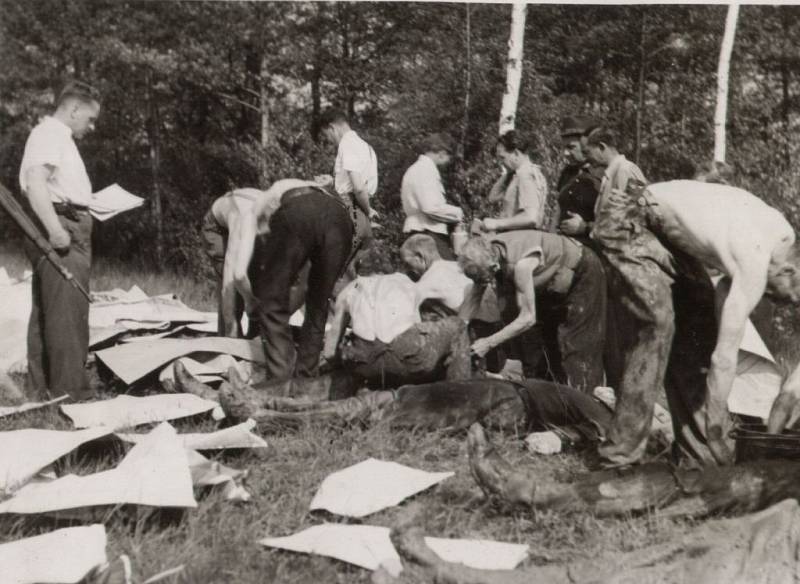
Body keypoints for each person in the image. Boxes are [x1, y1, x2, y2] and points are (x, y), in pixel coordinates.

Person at [19, 81, 101, 400]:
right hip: (61, 225)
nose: (91, 127)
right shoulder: (51, 133)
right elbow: (36, 180)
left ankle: (42, 393)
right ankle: (72, 396)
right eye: (90, 119)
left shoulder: (54, 135)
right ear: (74, 109)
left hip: (63, 220)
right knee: (68, 313)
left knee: (48, 312)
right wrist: (56, 230)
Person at [458, 230, 607, 392]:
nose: (480, 283)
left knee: (575, 347)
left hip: (582, 271)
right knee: (543, 345)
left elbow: (528, 318)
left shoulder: (521, 265)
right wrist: (457, 334)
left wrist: (488, 343)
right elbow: (474, 297)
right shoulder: (488, 252)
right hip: (554, 279)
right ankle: (550, 398)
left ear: (494, 267)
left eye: (482, 278)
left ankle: (589, 403)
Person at [253, 182, 355, 380]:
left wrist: (257, 299)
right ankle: (305, 378)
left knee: (271, 298)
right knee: (319, 302)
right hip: (341, 218)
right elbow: (305, 286)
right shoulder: (314, 190)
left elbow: (257, 252)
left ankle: (279, 380)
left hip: (298, 212)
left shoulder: (260, 205)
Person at [201, 179, 316, 338]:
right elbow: (232, 279)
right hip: (218, 228)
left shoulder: (281, 215)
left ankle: (258, 334)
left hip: (250, 209)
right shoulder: (244, 222)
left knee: (259, 275)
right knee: (234, 288)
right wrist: (243, 309)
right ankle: (229, 336)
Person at [318, 108, 378, 253]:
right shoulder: (365, 146)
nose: (329, 141)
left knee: (337, 268)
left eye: (327, 135)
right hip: (360, 213)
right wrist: (334, 181)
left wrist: (368, 210)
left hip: (350, 211)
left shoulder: (347, 144)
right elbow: (357, 183)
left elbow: (358, 188)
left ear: (332, 128)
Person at [400, 133, 463, 260]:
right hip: (428, 233)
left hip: (420, 232)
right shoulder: (425, 170)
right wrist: (458, 213)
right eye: (449, 157)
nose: (448, 162)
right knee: (446, 274)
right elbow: (430, 208)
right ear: (442, 153)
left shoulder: (416, 169)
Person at [476, 130, 549, 234]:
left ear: (516, 153)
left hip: (520, 239)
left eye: (502, 158)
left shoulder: (525, 175)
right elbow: (492, 197)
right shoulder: (522, 174)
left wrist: (497, 223)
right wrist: (508, 173)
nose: (501, 163)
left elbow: (531, 217)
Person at [555, 116, 603, 245]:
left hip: (592, 249)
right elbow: (558, 210)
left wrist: (585, 227)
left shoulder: (605, 174)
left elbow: (617, 224)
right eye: (563, 148)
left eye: (571, 147)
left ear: (586, 144)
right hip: (563, 245)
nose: (565, 153)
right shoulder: (567, 173)